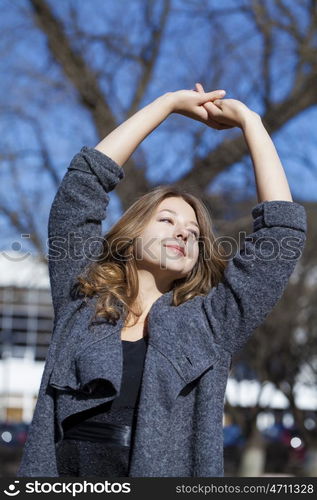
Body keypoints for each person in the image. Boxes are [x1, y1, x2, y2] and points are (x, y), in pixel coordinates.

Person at [17, 83, 307, 477]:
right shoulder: (82, 299)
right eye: (167, 220)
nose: (184, 232)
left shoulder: (210, 323)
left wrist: (250, 122)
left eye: (194, 231)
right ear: (132, 235)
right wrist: (168, 104)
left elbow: (281, 234)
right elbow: (80, 187)